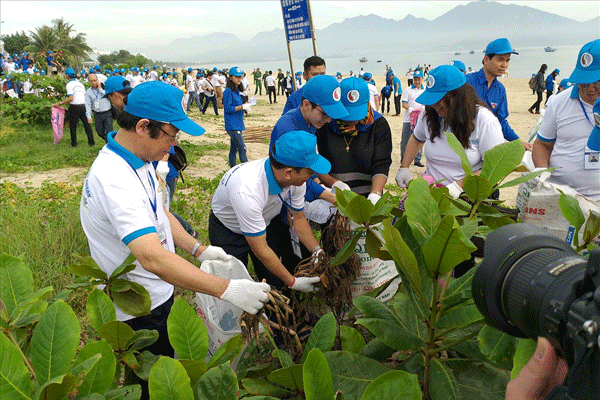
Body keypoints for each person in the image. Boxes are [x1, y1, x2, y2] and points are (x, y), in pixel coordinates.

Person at [80, 81, 270, 399]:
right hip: (140, 308)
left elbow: (160, 214)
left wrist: (198, 248)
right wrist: (228, 289)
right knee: (152, 385)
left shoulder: (138, 160)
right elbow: (151, 257)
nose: (173, 145)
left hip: (156, 294)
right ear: (143, 126)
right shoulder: (116, 180)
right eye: (171, 135)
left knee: (164, 372)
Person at [209, 130, 327, 291]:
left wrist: (316, 250)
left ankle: (275, 312)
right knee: (233, 285)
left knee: (274, 280)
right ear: (288, 173)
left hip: (264, 222)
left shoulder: (295, 180)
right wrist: (293, 282)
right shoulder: (248, 190)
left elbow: (297, 219)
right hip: (228, 231)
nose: (313, 176)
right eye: (310, 172)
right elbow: (260, 249)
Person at [396, 65, 505, 200]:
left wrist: (459, 186)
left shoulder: (484, 120)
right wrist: (404, 166)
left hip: (468, 194)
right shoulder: (429, 115)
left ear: (457, 97)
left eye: (440, 105)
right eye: (432, 103)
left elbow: (495, 168)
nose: (435, 109)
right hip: (433, 189)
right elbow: (417, 138)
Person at [532, 39, 600, 200]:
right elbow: (542, 144)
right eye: (583, 81)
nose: (589, 88)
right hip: (561, 194)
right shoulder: (558, 102)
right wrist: (541, 174)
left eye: (596, 81)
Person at [270, 74, 348, 206]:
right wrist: (328, 195)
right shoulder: (289, 130)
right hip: (285, 195)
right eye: (324, 114)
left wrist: (322, 183)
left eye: (331, 115)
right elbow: (294, 174)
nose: (328, 120)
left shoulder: (310, 121)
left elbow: (308, 164)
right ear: (306, 104)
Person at [316, 76, 392, 204]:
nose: (351, 120)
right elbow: (318, 163)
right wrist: (335, 184)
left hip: (369, 195)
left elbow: (382, 164)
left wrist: (375, 195)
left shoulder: (378, 125)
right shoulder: (326, 125)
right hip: (335, 198)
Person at [466, 38, 530, 149]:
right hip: (464, 142)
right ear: (486, 59)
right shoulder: (466, 82)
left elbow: (500, 121)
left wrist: (519, 141)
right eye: (500, 60)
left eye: (507, 60)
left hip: (486, 145)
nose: (504, 65)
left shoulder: (500, 90)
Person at [53, 68, 95, 147]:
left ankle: (74, 143)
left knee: (73, 126)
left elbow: (71, 98)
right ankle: (91, 142)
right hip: (83, 106)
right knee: (87, 125)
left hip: (74, 107)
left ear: (67, 76)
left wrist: (60, 103)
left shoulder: (69, 85)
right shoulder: (80, 84)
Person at [223, 66, 251, 167]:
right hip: (232, 125)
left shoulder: (236, 91)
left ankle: (233, 168)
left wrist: (245, 105)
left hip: (238, 123)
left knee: (233, 149)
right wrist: (242, 106)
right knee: (242, 149)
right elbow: (228, 109)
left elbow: (237, 105)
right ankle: (246, 171)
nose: (239, 79)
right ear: (230, 77)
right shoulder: (228, 91)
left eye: (241, 77)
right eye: (237, 77)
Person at [400, 69, 425, 167]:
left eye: (419, 79)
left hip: (420, 119)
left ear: (422, 79)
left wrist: (423, 108)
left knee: (420, 139)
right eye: (415, 79)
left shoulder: (424, 90)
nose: (417, 81)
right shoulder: (408, 90)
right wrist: (409, 108)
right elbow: (404, 103)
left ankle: (417, 159)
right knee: (405, 139)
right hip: (408, 119)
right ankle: (403, 157)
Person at [84, 73, 113, 142]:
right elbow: (87, 104)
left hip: (107, 112)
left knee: (109, 132)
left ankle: (110, 145)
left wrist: (100, 89)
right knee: (99, 132)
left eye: (95, 80)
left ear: (97, 80)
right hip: (97, 114)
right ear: (89, 81)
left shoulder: (104, 87)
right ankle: (110, 141)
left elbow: (108, 95)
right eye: (91, 81)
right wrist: (88, 116)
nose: (93, 82)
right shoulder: (88, 92)